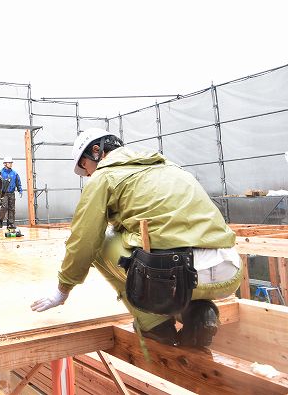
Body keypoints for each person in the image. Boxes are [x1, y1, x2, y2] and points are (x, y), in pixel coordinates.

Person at [31, 128, 241, 347]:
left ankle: (155, 325)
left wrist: (63, 289)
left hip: (177, 278)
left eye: (85, 167)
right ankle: (197, 312)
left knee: (100, 241)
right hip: (229, 272)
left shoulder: (104, 177)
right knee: (153, 246)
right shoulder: (168, 166)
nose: (89, 175)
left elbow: (83, 240)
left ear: (96, 151)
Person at [0, 157, 23, 228]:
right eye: (9, 163)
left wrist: (20, 190)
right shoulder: (0, 173)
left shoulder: (14, 173)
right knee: (4, 207)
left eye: (11, 163)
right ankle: (0, 220)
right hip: (3, 193)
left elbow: (18, 182)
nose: (11, 164)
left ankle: (10, 223)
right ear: (5, 164)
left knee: (12, 208)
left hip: (12, 193)